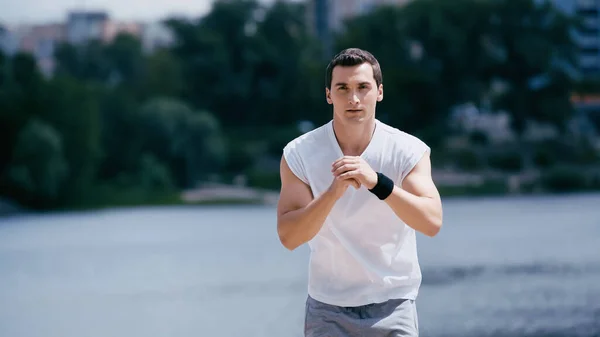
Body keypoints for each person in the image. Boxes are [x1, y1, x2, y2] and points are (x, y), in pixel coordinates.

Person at [276, 48, 443, 337]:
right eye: (343, 88)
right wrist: (332, 193)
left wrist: (377, 182)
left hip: (394, 303)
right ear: (328, 95)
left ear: (379, 92)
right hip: (328, 307)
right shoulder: (299, 154)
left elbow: (431, 222)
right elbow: (290, 237)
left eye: (362, 88)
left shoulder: (407, 151)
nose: (353, 99)